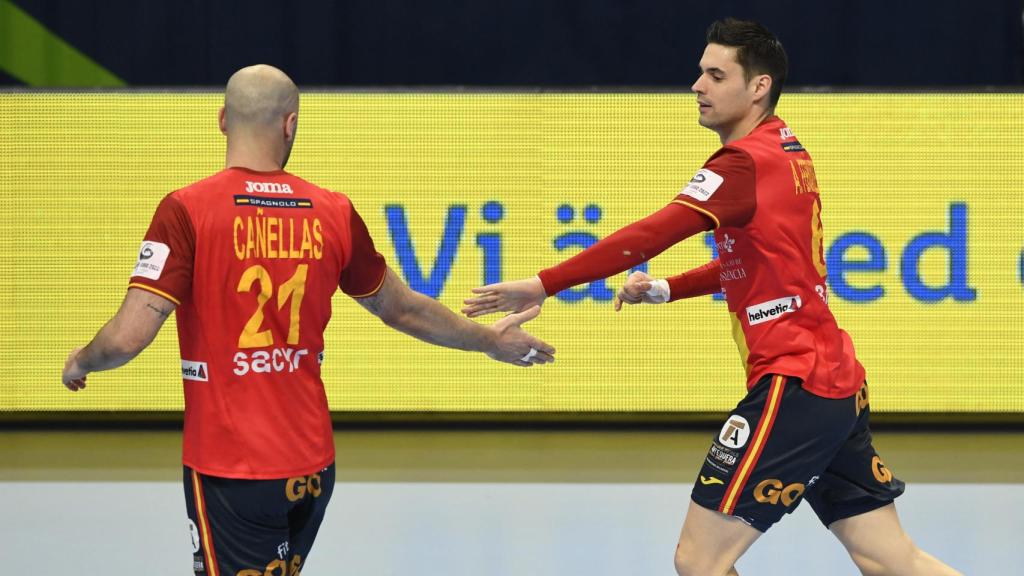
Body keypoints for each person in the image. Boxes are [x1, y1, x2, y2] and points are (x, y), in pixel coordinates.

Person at [462, 19, 959, 576]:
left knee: (699, 560)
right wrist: (668, 289)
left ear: (758, 87)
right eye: (700, 72)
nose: (697, 85)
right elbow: (759, 264)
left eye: (715, 75)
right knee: (892, 558)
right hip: (834, 380)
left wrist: (544, 282)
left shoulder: (741, 164)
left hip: (794, 384)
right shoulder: (786, 149)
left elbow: (652, 233)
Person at [60, 64, 554, 576]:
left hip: (232, 468)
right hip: (312, 466)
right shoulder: (331, 211)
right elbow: (403, 308)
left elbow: (127, 337)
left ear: (222, 120)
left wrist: (81, 361)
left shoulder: (185, 210)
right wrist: (487, 342)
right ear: (290, 124)